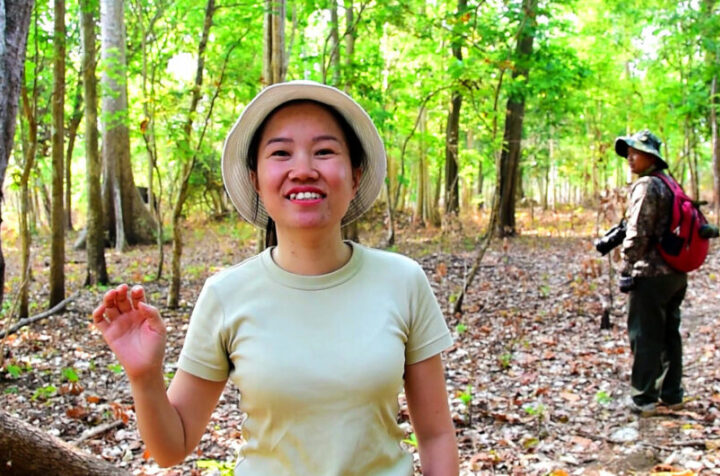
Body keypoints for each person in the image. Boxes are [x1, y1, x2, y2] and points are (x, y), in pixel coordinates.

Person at [92, 80, 459, 475]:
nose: (303, 171)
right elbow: (171, 448)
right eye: (281, 153)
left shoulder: (402, 281)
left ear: (355, 175)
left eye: (324, 151)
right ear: (256, 179)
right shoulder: (226, 295)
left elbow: (436, 435)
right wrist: (145, 376)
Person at [613, 129, 687, 413]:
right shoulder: (670, 183)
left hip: (650, 274)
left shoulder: (646, 186)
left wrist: (626, 266)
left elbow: (638, 232)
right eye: (629, 153)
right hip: (675, 272)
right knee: (669, 334)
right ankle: (672, 394)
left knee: (644, 335)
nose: (630, 158)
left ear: (651, 157)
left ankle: (643, 397)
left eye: (637, 153)